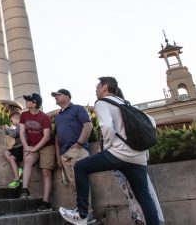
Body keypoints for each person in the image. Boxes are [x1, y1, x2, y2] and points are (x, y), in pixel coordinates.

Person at [59, 77, 160, 225]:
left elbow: (106, 127)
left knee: (80, 167)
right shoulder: (125, 103)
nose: (96, 89)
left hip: (118, 154)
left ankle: (81, 214)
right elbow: (151, 121)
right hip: (138, 157)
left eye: (98, 86)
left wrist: (106, 149)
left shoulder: (102, 103)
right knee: (144, 197)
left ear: (105, 87)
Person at [52, 89, 95, 223]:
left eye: (58, 95)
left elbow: (88, 125)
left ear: (67, 96)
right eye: (55, 96)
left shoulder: (77, 109)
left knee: (81, 183)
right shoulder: (58, 116)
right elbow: (57, 137)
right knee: (74, 184)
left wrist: (79, 143)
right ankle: (81, 212)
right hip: (65, 154)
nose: (55, 98)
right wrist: (59, 156)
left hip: (78, 150)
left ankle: (87, 214)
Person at [19, 93, 55, 212]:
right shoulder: (24, 115)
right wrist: (26, 147)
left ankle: (45, 203)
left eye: (28, 100)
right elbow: (22, 133)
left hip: (46, 146)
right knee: (28, 159)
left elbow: (47, 136)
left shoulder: (44, 117)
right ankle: (25, 189)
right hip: (32, 145)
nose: (26, 102)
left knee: (46, 172)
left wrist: (34, 148)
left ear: (34, 103)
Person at [1, 111, 24, 188]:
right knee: (6, 153)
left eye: (12, 120)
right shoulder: (17, 126)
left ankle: (17, 178)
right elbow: (13, 132)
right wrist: (6, 129)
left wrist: (7, 128)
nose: (12, 123)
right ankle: (18, 170)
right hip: (16, 147)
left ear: (17, 118)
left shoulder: (20, 124)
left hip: (21, 147)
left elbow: (14, 134)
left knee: (11, 158)